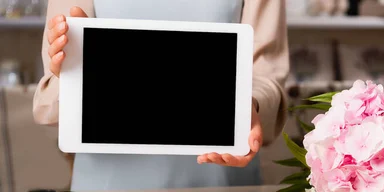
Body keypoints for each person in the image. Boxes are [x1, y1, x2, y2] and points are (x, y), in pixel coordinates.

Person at [32, 0, 289, 190]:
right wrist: (69, 71)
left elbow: (266, 74)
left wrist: (250, 104)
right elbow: (50, 101)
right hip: (109, 181)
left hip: (219, 177)